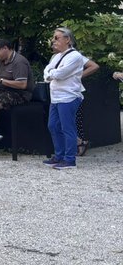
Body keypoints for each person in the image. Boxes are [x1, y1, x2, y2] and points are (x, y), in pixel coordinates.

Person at [43, 26, 87, 169]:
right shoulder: (56, 56)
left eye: (57, 38)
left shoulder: (75, 56)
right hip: (56, 97)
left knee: (67, 127)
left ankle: (69, 159)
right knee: (53, 125)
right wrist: (51, 73)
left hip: (69, 96)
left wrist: (51, 73)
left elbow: (60, 74)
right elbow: (46, 72)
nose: (53, 41)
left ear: (67, 39)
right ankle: (59, 155)